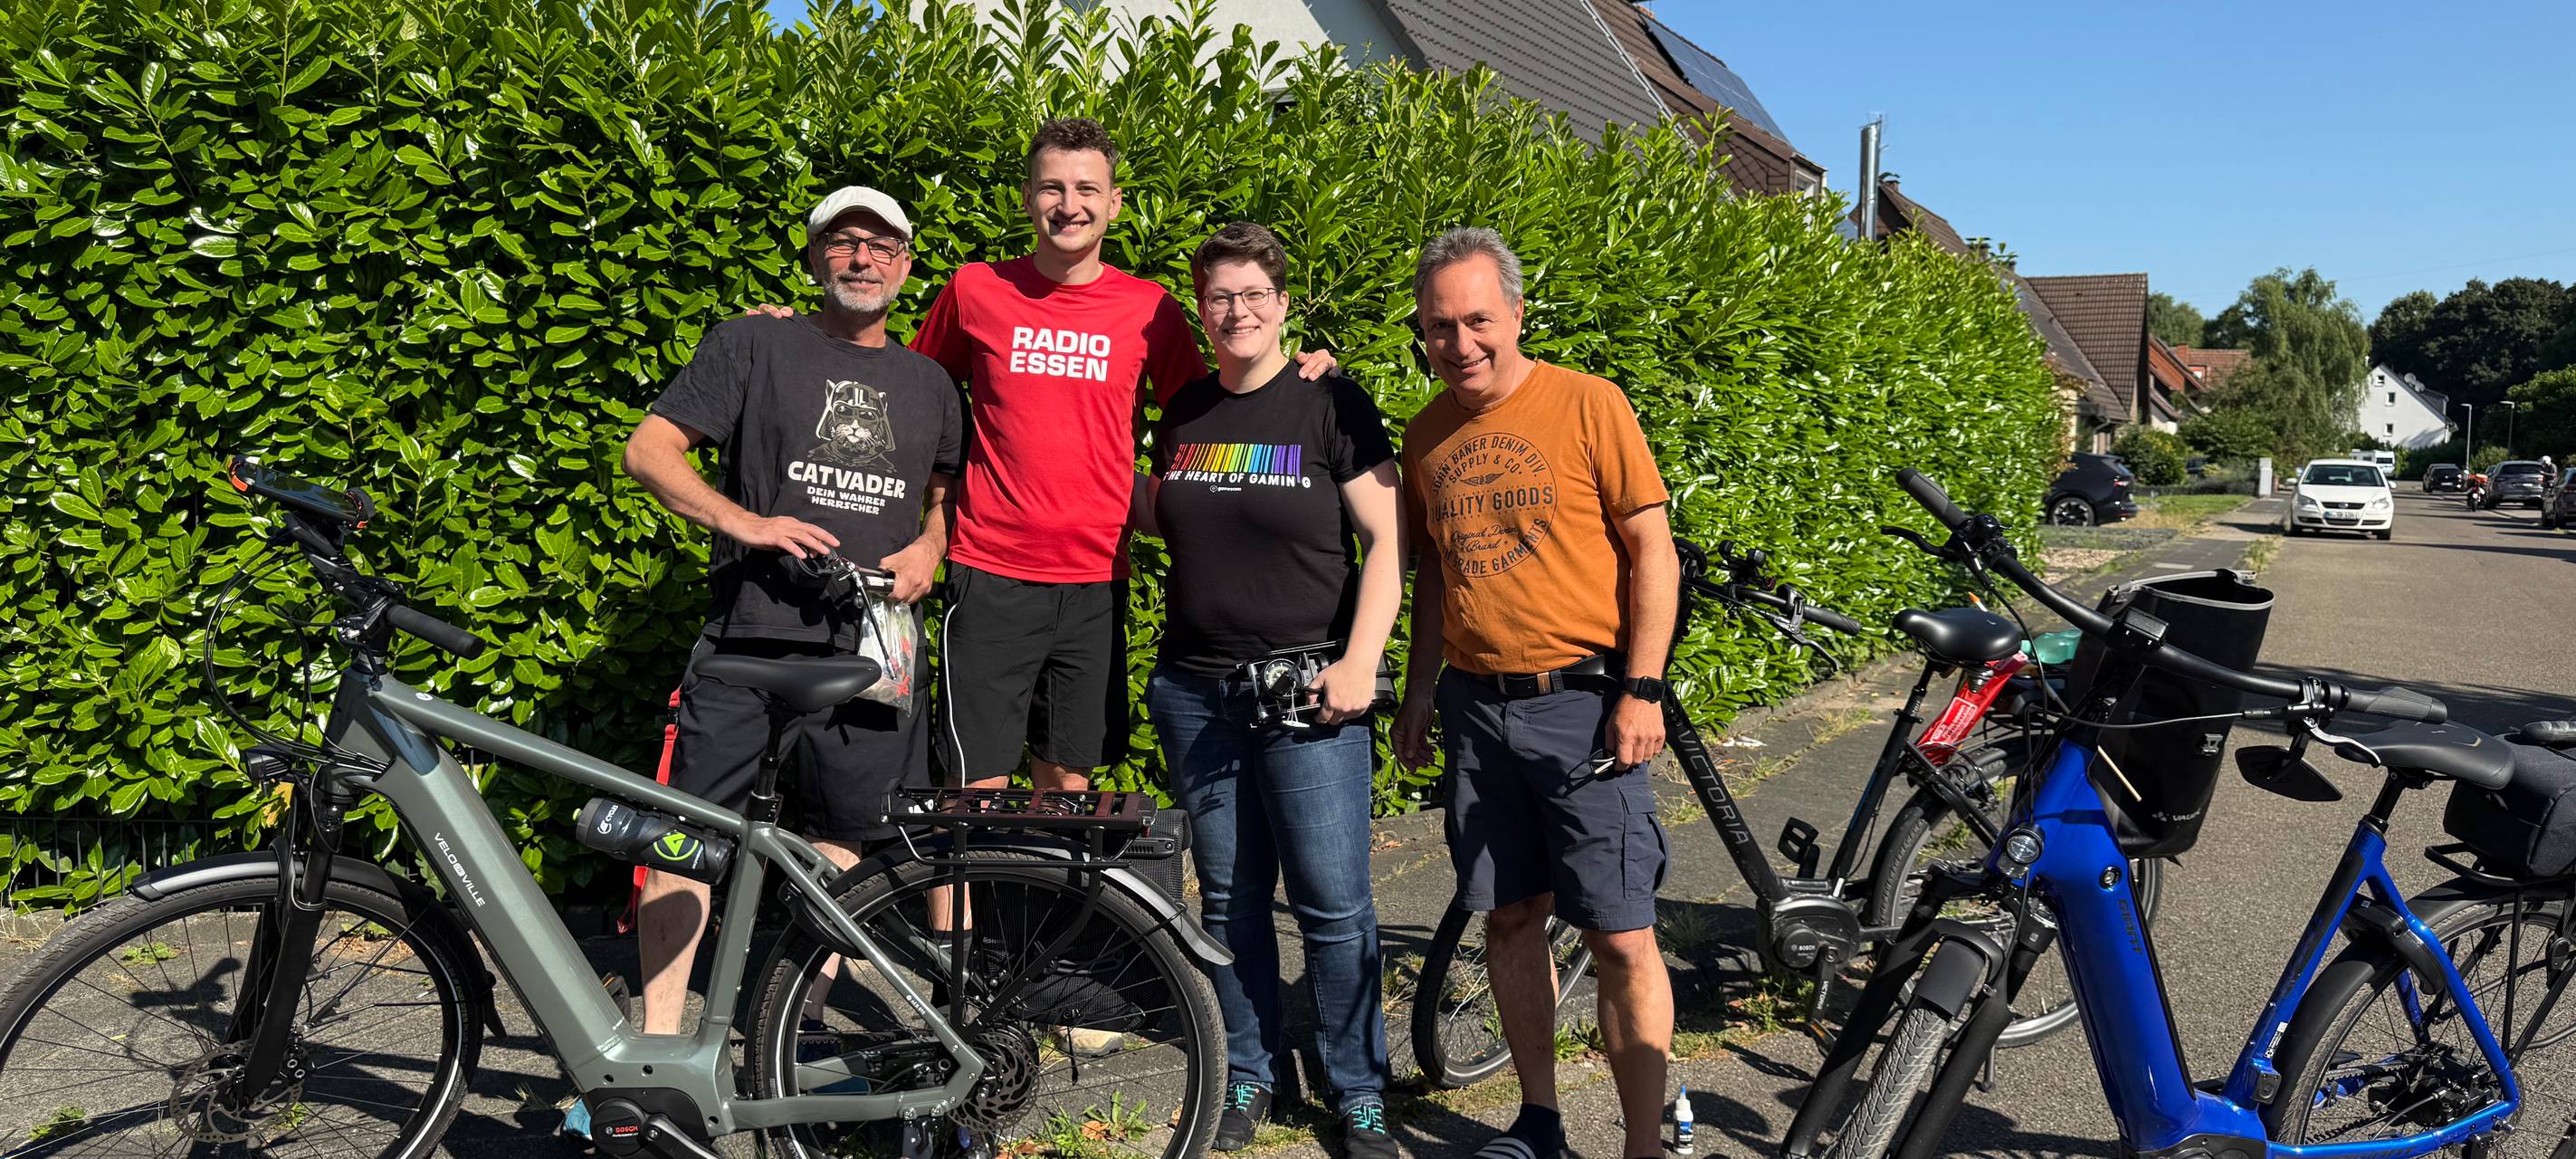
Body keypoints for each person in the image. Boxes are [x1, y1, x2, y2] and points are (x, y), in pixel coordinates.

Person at [905, 117, 1331, 799]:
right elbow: (912, 393)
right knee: (968, 787)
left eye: (1085, 189)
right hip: (989, 570)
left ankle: (1036, 912)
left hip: (1097, 576)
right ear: (1026, 197)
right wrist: (806, 337)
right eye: (1051, 187)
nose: (1067, 205)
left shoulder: (1149, 309)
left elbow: (1216, 410)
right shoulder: (976, 289)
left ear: (1115, 202)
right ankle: (967, 914)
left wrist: (1297, 371)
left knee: (1067, 783)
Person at [622, 186, 962, 1039]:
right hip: (752, 637)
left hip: (876, 648)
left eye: (883, 247)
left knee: (850, 836)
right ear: (815, 257)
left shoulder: (930, 383)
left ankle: (793, 1026)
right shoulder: (754, 342)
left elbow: (942, 497)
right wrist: (746, 523)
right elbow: (648, 449)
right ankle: (657, 1041)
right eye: (845, 243)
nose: (863, 260)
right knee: (685, 837)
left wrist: (930, 548)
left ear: (906, 266)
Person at [1390, 227, 1681, 1159]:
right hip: (1478, 710)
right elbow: (1432, 572)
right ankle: (1539, 1120)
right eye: (1440, 325)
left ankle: (1641, 1140)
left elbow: (1651, 552)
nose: (1460, 341)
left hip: (1583, 703)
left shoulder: (1588, 404)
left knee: (1619, 933)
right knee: (1509, 915)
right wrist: (1418, 688)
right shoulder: (1425, 433)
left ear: (1515, 313)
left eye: (1477, 318)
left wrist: (1640, 687)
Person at [1139, 223, 1402, 1156]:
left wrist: (1361, 662)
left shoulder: (1330, 402)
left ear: (1283, 304)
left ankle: (1358, 1090)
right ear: (1201, 308)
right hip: (1196, 694)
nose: (1236, 311)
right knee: (1228, 901)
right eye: (1218, 296)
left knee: (1333, 901)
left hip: (1308, 694)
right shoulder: (1183, 411)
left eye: (1254, 294)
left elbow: (1386, 541)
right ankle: (1243, 1073)